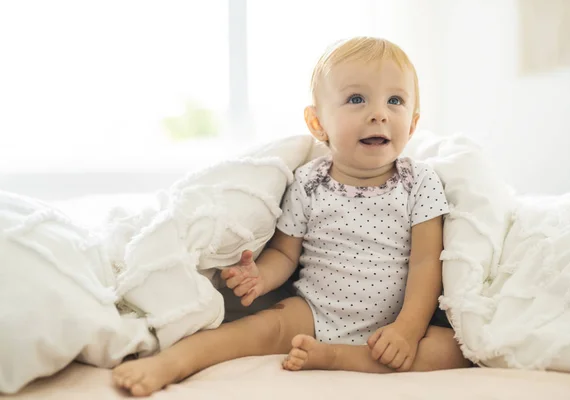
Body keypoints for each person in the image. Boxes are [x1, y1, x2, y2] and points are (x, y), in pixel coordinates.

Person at [113, 36, 471, 397]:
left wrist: (408, 329)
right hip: (314, 311)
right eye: (356, 99)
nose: (379, 113)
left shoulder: (418, 181)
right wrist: (259, 277)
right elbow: (286, 254)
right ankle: (170, 363)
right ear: (317, 123)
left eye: (395, 101)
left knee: (457, 349)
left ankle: (340, 357)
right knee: (252, 331)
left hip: (397, 320)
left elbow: (427, 262)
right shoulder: (309, 181)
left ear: (412, 124)